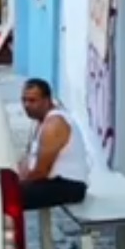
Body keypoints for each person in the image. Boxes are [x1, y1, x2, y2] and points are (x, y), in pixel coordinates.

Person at [16, 79, 90, 210]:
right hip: (52, 182)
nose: (26, 105)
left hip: (69, 186)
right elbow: (28, 160)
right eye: (24, 100)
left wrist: (15, 183)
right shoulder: (41, 121)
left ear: (47, 100)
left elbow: (41, 171)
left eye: (32, 101)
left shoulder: (54, 124)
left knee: (5, 197)